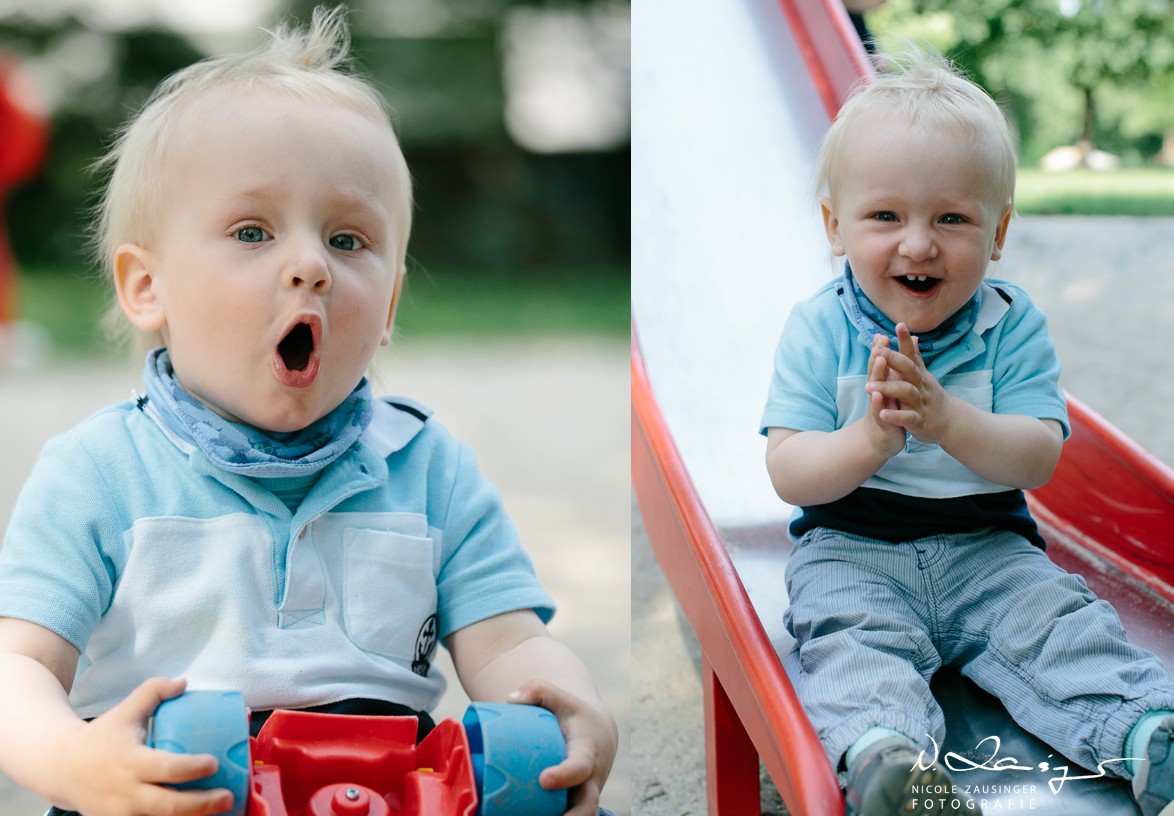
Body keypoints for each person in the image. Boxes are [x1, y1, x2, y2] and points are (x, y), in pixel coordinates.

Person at [0, 7, 617, 816]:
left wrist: (566, 703)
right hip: (174, 792)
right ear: (147, 287)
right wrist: (73, 762)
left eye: (349, 240)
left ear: (390, 302)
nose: (309, 267)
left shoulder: (428, 469)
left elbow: (511, 642)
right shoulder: (97, 473)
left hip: (381, 793)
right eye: (253, 231)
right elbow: (18, 667)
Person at [759, 47, 1174, 816]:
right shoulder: (818, 330)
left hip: (989, 552)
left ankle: (1147, 735)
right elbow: (789, 470)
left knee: (1060, 630)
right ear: (835, 226)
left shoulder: (1010, 328)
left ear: (999, 231)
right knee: (850, 647)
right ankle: (892, 764)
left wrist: (948, 422)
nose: (918, 243)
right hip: (852, 552)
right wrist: (869, 443)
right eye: (885, 216)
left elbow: (1039, 455)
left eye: (951, 218)